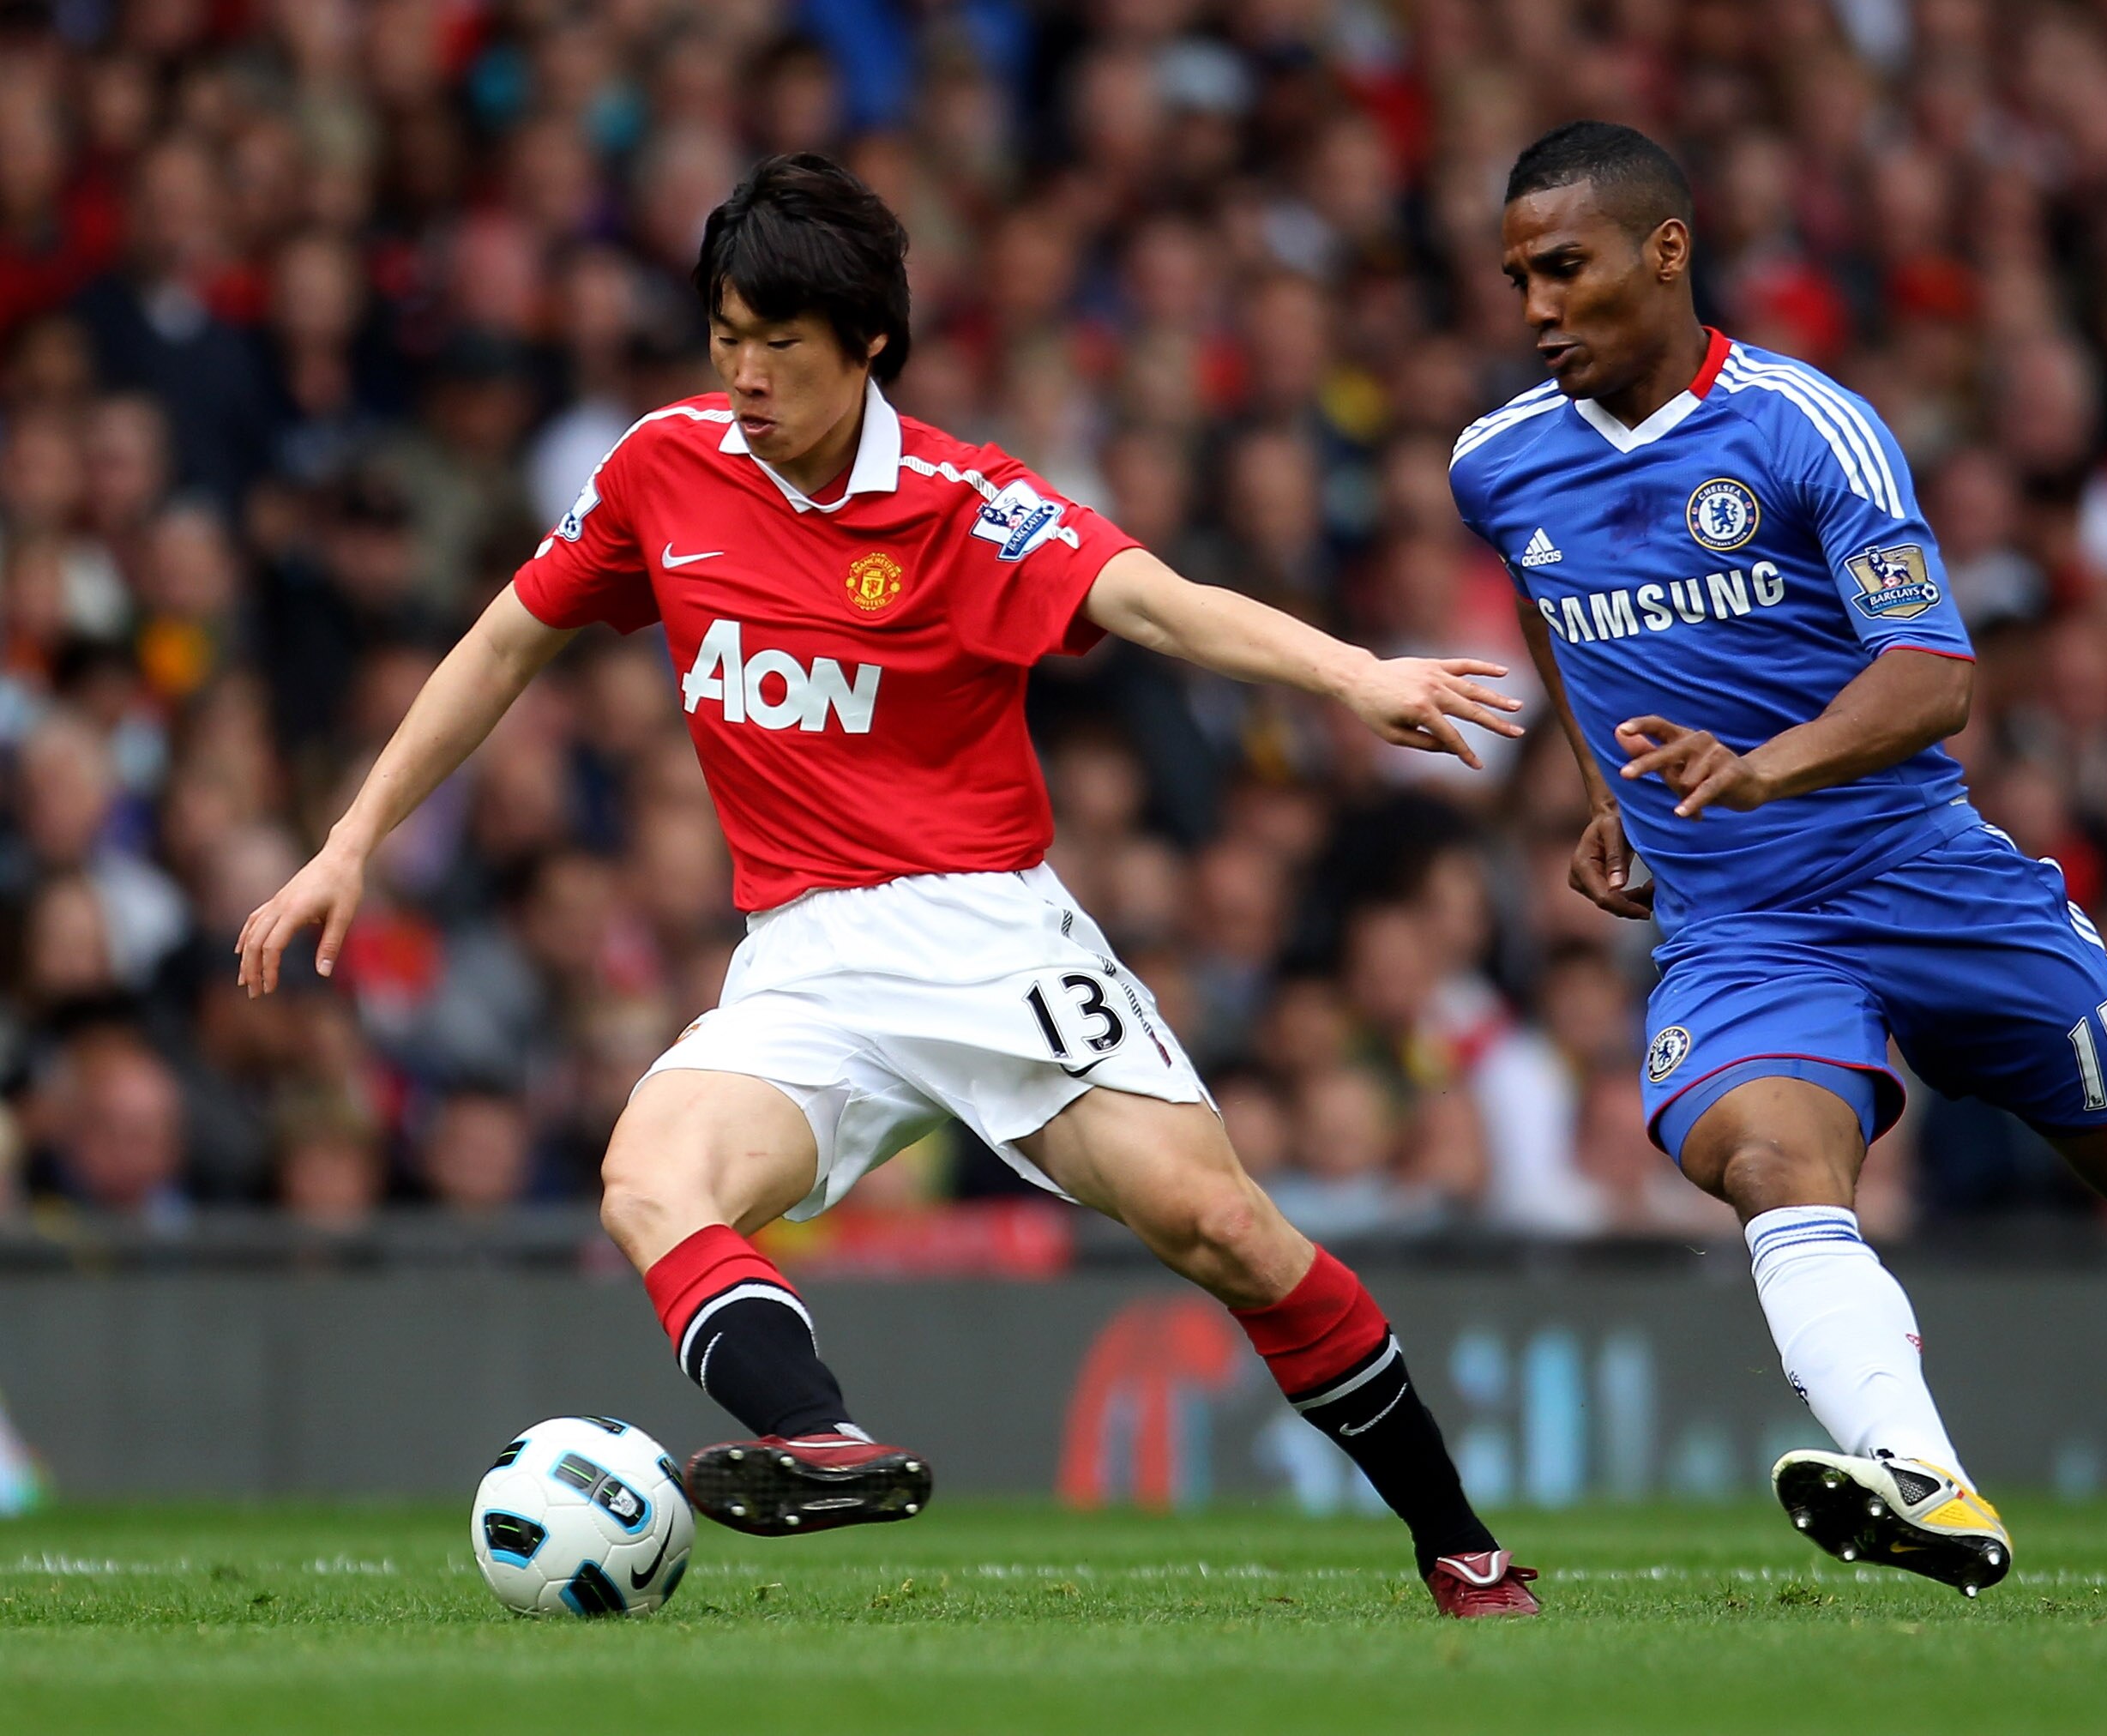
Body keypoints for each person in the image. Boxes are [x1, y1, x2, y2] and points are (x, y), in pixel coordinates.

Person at [239, 154, 1538, 1618]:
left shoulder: (965, 504)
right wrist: (352, 840)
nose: (743, 376)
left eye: (778, 347)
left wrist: (1352, 673)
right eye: (726, 337)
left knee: (1224, 1230)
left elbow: (1153, 599)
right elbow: (500, 646)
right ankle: (819, 1437)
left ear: (867, 344)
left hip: (986, 934)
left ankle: (1461, 1544)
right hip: (801, 959)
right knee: (650, 1179)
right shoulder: (661, 469)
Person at [1448, 122, 2107, 1595]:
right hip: (1738, 921)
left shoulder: (1811, 429)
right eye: (1517, 278)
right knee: (1769, 1163)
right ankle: (1928, 1483)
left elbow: (1933, 675)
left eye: (1562, 270)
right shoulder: (1498, 465)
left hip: (1924, 877)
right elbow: (1550, 604)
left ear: (1666, 251)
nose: (1533, 309)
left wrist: (1762, 763)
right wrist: (1609, 785)